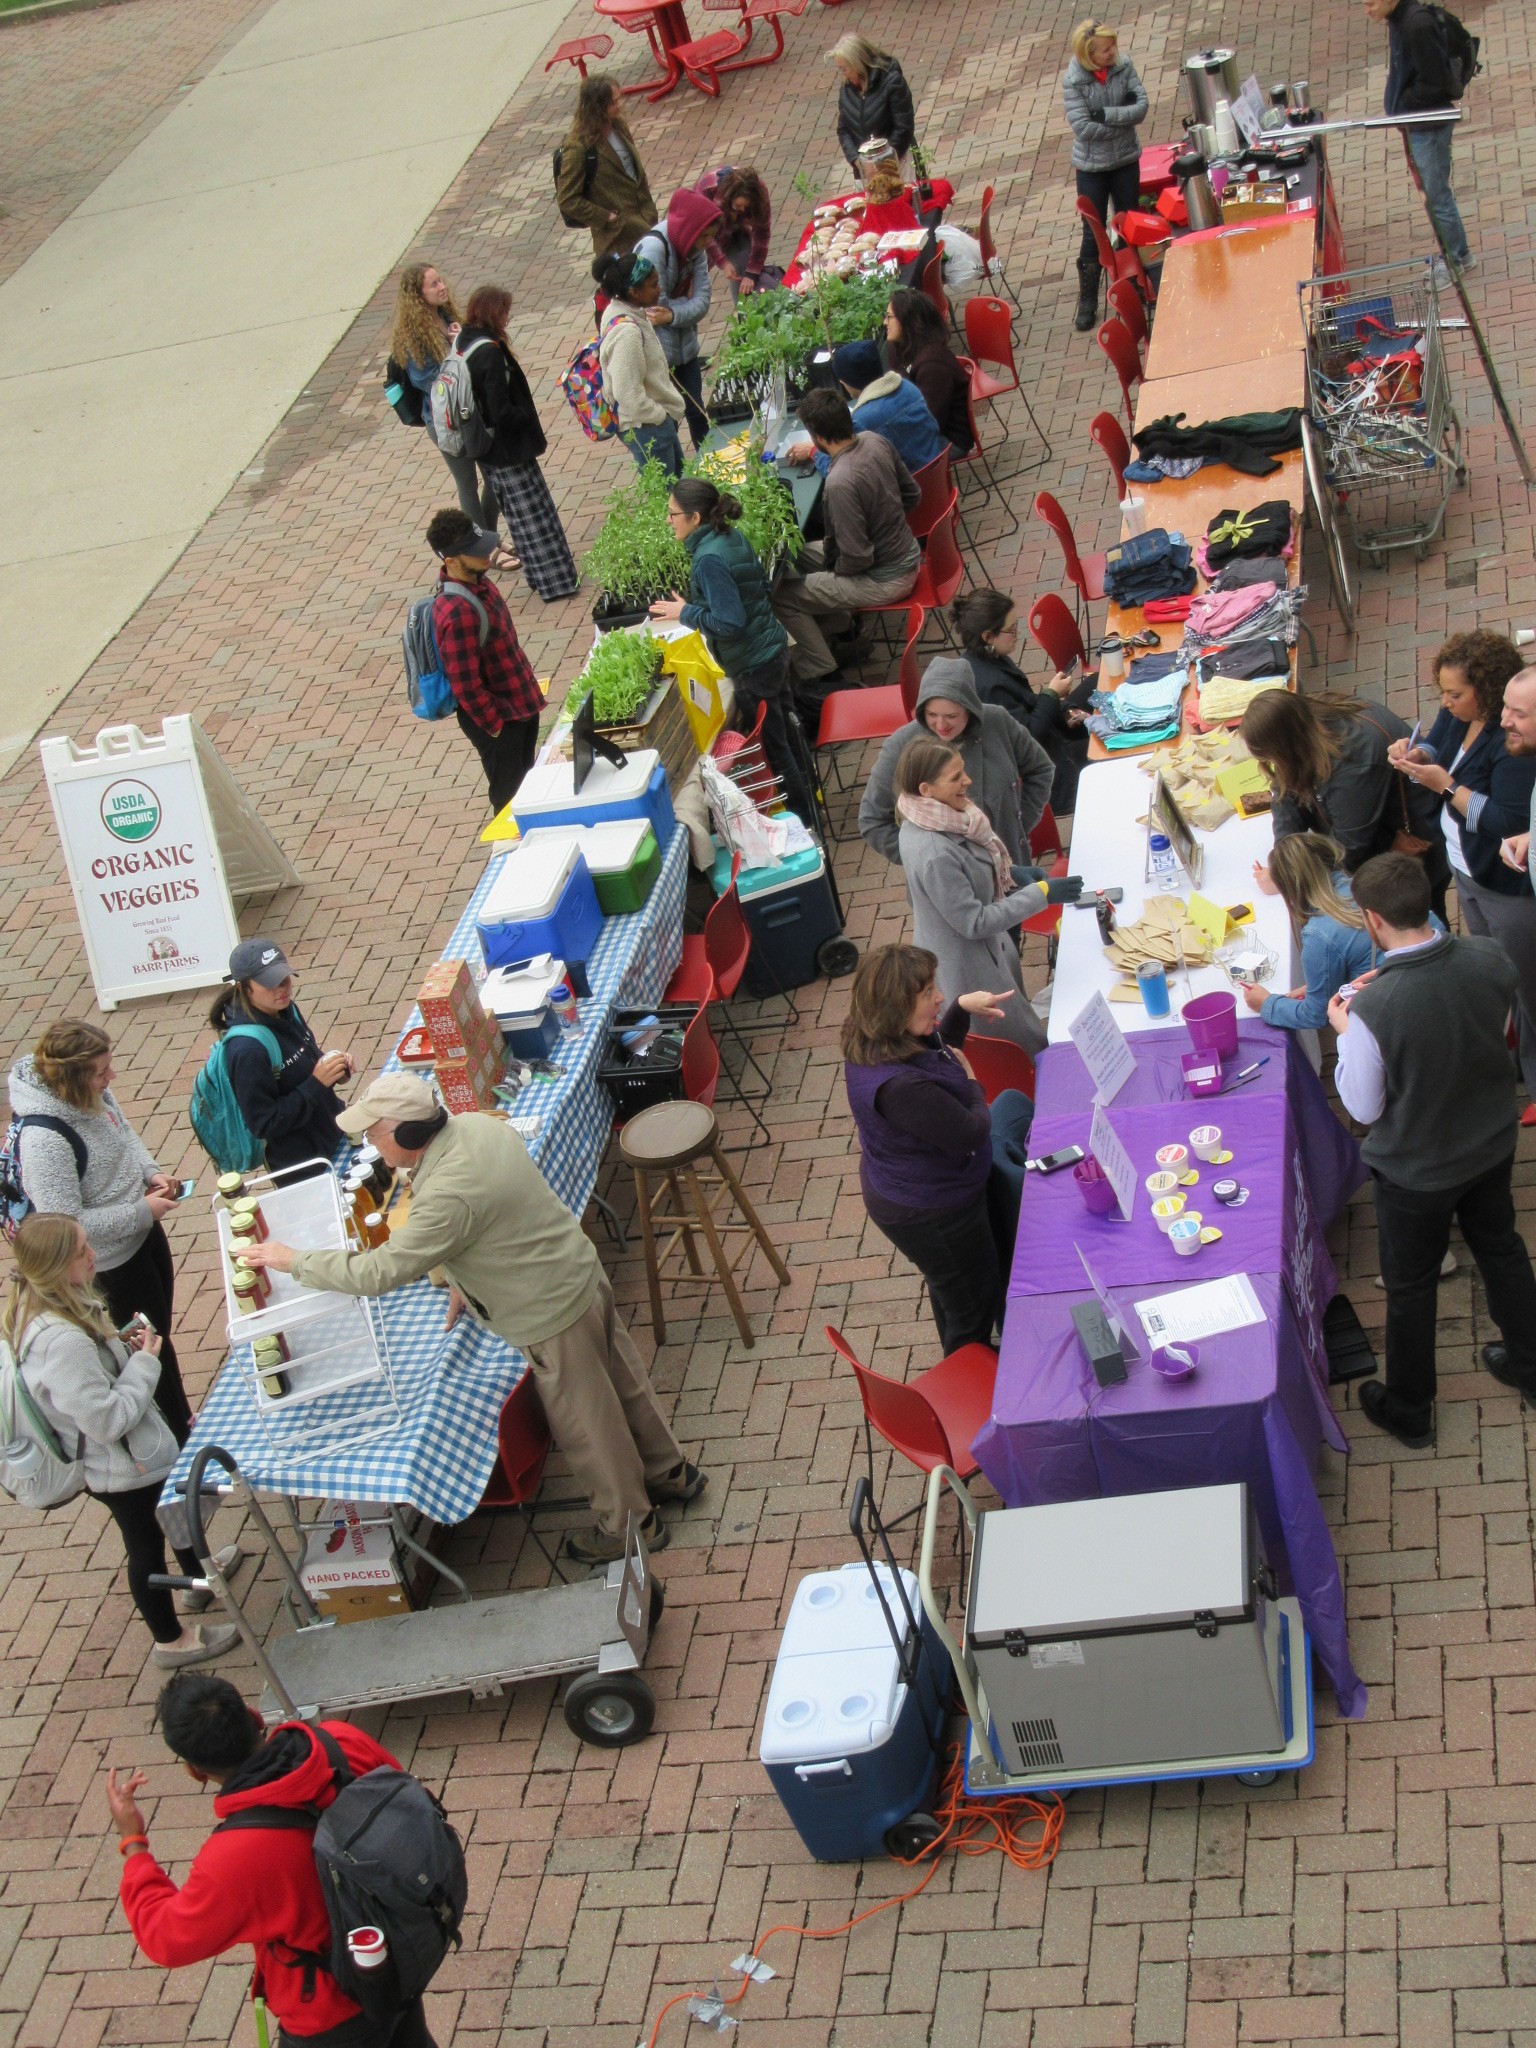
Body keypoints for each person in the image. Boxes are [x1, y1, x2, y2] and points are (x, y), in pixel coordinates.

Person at [240, 1075, 703, 1565]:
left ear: (409, 1135)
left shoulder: (445, 1194)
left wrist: (294, 1261)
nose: (368, 1146)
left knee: (590, 1425)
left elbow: (378, 1272)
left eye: (372, 1135)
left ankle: (631, 1526)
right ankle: (671, 1471)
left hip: (548, 1314)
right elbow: (495, 1214)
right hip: (580, 1275)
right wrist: (462, 1276)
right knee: (624, 1381)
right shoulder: (479, 1127)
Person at [108, 1672, 437, 2046]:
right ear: (254, 1716)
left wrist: (133, 1842)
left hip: (331, 2016)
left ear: (195, 1771)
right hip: (396, 1957)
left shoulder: (235, 1857)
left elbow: (164, 1937)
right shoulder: (341, 1742)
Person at [1332, 853, 1536, 1448]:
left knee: (1412, 1285)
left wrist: (1348, 1035)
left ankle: (1410, 1409)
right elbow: (1486, 1033)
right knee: (1502, 1251)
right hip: (1490, 1143)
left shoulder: (1370, 1011)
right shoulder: (1490, 957)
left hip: (1417, 1173)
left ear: (1372, 920)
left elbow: (1364, 1109)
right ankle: (1529, 1367)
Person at [4, 1216, 239, 1668]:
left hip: (123, 1461)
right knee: (145, 1544)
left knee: (169, 1507)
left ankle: (198, 1576)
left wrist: (118, 1344)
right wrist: (144, 1365)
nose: (93, 1254)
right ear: (56, 1266)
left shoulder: (48, 1304)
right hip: (119, 1467)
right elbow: (107, 1421)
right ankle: (170, 1640)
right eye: (80, 1251)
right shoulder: (62, 1342)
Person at [8, 1019, 195, 1442]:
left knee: (158, 1340)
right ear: (71, 1081)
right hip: (110, 1267)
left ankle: (182, 1423)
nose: (110, 1079)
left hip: (143, 1237)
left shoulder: (94, 1090)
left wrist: (151, 1172)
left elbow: (123, 1133)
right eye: (100, 1073)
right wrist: (140, 1212)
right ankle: (176, 1446)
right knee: (143, 1355)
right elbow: (66, 1226)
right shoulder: (44, 1141)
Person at [843, 944, 1035, 1352]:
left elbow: (938, 1050)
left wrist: (960, 1011)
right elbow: (970, 1132)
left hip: (921, 1190)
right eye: (929, 991)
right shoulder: (900, 1088)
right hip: (934, 1212)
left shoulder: (882, 1037)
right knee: (972, 1306)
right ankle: (973, 1385)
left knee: (953, 1286)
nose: (940, 996)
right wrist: (972, 1083)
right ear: (897, 1007)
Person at [1389, 631, 1536, 1107]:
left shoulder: (1513, 744)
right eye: (1444, 693)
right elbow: (1438, 742)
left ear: (1486, 691)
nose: (1447, 704)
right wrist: (1418, 754)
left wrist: (1448, 787)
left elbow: (1507, 821)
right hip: (1467, 872)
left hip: (1506, 886)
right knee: (1498, 973)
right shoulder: (1460, 715)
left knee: (1527, 986)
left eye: (1456, 694)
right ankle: (1515, 1057)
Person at [893, 737, 1079, 1056]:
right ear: (926, 789)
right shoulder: (934, 851)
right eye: (955, 778)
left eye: (962, 771)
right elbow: (974, 922)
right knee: (1022, 1045)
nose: (967, 781)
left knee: (1022, 1024)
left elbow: (971, 870)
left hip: (989, 953)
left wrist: (1013, 874)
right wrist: (1042, 894)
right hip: (969, 967)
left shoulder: (936, 816)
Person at [647, 478, 817, 825]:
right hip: (771, 649)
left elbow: (730, 623)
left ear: (694, 518)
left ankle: (805, 823)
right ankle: (814, 797)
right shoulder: (729, 536)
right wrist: (694, 606)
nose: (669, 520)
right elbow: (758, 589)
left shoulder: (708, 559)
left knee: (777, 748)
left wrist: (687, 613)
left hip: (753, 664)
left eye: (672, 514)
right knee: (789, 730)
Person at [771, 389, 920, 709]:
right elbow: (912, 495)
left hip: (885, 578)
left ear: (816, 436)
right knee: (795, 552)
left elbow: (857, 557)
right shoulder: (874, 440)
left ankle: (823, 671)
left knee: (782, 594)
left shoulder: (840, 482)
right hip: (903, 554)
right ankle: (841, 628)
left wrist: (832, 576)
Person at [1240, 688, 1449, 912]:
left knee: (1420, 920)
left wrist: (1292, 878)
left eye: (1270, 758)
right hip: (1382, 837)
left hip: (1413, 851)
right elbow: (1284, 788)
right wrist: (1284, 859)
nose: (1272, 765)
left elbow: (1348, 847)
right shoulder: (1308, 722)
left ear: (1284, 746)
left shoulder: (1353, 761)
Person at [860, 655, 1055, 869]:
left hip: (1011, 867)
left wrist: (1019, 823)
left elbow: (1041, 768)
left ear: (969, 709)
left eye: (951, 716)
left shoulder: (997, 721)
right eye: (931, 714)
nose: (941, 724)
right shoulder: (901, 744)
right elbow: (872, 819)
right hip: (949, 886)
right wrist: (925, 859)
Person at [454, 286, 577, 602]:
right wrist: (524, 417)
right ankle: (556, 581)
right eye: (506, 311)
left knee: (518, 518)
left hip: (487, 449)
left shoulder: (464, 340)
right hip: (509, 448)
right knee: (535, 516)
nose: (508, 318)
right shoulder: (490, 351)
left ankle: (540, 577)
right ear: (495, 312)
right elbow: (499, 409)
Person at [423, 507, 545, 812]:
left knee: (528, 789)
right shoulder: (457, 612)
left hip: (520, 705)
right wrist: (496, 728)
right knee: (509, 802)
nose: (485, 554)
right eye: (474, 551)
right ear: (450, 561)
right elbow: (465, 685)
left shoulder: (479, 581)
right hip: (502, 720)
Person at [208, 939, 350, 1178]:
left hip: (334, 1133)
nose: (282, 988)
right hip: (305, 1168)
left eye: (284, 978)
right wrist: (317, 1084)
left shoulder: (286, 1010)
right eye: (269, 983)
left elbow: (307, 1059)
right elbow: (264, 1123)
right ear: (244, 989)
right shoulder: (246, 1050)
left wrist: (335, 1067)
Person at [1362, 0, 1474, 285]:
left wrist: (1406, 104)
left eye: (1371, 2)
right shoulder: (1400, 20)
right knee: (1435, 194)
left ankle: (1456, 260)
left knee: (1437, 196)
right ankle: (1458, 254)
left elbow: (1433, 79)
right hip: (1419, 123)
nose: (1367, 9)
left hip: (1429, 126)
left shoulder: (1415, 25)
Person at [954, 589, 1088, 815]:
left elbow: (1027, 701)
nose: (1017, 633)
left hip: (1050, 742)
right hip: (1045, 768)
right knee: (1104, 749)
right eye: (1011, 629)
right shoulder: (989, 687)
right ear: (988, 637)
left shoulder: (988, 658)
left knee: (1093, 687)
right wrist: (1053, 695)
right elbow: (1030, 735)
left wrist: (1065, 709)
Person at [388, 264, 499, 532]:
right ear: (418, 295)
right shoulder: (413, 337)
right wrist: (456, 351)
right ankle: (485, 547)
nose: (442, 287)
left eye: (441, 281)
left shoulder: (447, 316)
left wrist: (462, 340)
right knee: (468, 484)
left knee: (494, 477)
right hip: (445, 420)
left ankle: (488, 540)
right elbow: (428, 381)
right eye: (434, 284)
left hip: (471, 410)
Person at [1061, 19, 1149, 331]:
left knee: (1129, 224)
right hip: (1092, 168)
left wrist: (1107, 115)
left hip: (1125, 160)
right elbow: (1082, 128)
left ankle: (1132, 288)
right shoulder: (1073, 82)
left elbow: (1141, 107)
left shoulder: (1124, 67)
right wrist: (1121, 122)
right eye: (1106, 48)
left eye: (1113, 45)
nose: (1113, 51)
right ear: (1089, 55)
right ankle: (1088, 298)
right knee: (1092, 234)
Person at [1243, 833, 1376, 1031]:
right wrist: (1322, 986)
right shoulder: (1366, 885)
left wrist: (1266, 1003)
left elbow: (1316, 1015)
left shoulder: (1319, 935)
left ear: (1287, 886)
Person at [633, 189, 723, 452]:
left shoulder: (696, 247)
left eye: (711, 236)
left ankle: (710, 466)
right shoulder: (653, 250)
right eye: (704, 236)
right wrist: (683, 307)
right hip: (658, 352)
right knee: (668, 419)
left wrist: (673, 315)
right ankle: (675, 480)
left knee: (697, 411)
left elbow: (703, 301)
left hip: (685, 348)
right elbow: (652, 309)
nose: (708, 242)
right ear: (690, 229)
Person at [784, 339, 943, 479]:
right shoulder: (907, 387)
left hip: (914, 497)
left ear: (845, 382)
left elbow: (844, 474)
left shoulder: (862, 420)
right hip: (938, 477)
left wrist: (814, 452)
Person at [595, 250, 688, 478]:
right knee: (667, 499)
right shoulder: (628, 334)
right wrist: (660, 417)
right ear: (634, 292)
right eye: (653, 284)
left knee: (679, 487)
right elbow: (627, 393)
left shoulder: (619, 309)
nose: (660, 290)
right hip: (647, 428)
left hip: (651, 424)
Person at [557, 73, 657, 274]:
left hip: (646, 220)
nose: (619, 105)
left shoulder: (618, 125)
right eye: (613, 102)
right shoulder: (578, 147)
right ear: (597, 107)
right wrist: (607, 217)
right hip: (619, 239)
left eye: (618, 99)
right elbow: (567, 199)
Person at [883, 290, 974, 455]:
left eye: (889, 317)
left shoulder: (933, 366)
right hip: (920, 427)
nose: (884, 322)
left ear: (907, 321)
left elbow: (931, 422)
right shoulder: (897, 347)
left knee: (884, 457)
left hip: (949, 441)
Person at [830, 34, 915, 172]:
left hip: (897, 166)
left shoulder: (892, 82)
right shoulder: (847, 89)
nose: (842, 74)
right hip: (865, 172)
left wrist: (882, 164)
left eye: (844, 68)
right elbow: (843, 129)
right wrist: (857, 161)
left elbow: (904, 128)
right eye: (840, 69)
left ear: (857, 63)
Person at [694, 166, 772, 298]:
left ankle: (745, 311)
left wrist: (751, 274)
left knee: (745, 266)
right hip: (706, 231)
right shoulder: (707, 191)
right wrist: (723, 263)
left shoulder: (760, 194)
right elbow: (704, 234)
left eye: (746, 207)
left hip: (739, 227)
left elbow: (761, 235)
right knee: (695, 275)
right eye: (738, 206)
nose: (742, 210)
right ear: (729, 198)